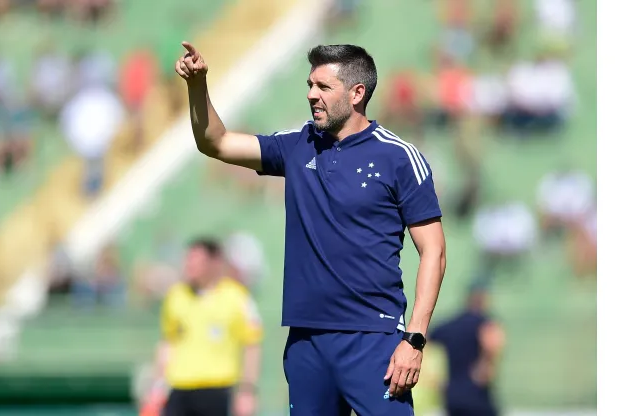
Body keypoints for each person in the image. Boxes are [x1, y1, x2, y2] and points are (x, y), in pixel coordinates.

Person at [175, 42, 447, 415]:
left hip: (373, 339)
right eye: (309, 84)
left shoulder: (398, 157)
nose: (311, 95)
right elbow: (215, 142)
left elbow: (434, 251)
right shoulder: (298, 145)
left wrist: (414, 339)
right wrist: (198, 85)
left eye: (322, 87)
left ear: (356, 94)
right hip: (306, 341)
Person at [154, 238, 263, 416]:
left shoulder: (237, 297)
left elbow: (251, 345)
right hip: (179, 387)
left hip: (216, 388)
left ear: (214, 263)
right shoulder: (176, 295)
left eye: (195, 261)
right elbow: (168, 342)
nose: (189, 266)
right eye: (187, 260)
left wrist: (247, 390)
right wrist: (157, 385)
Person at [429, 281, 505, 416]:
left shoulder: (450, 324)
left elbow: (426, 341)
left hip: (452, 394)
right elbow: (492, 343)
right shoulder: (485, 322)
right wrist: (485, 366)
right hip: (477, 394)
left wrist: (435, 378)